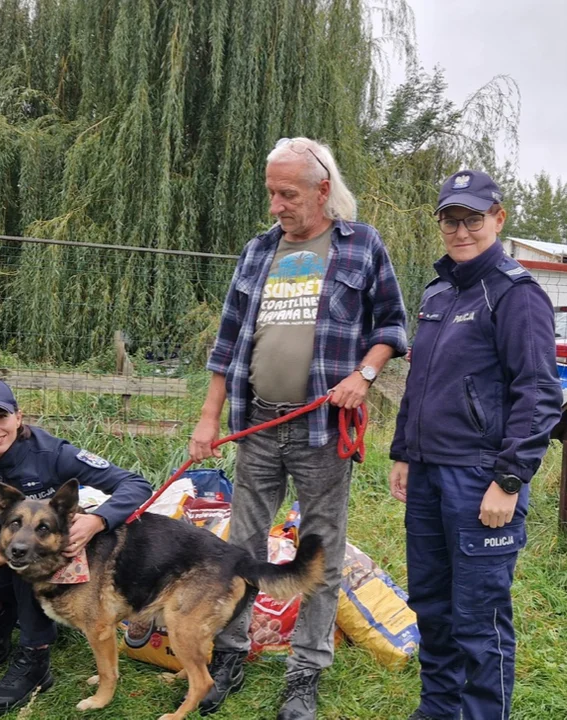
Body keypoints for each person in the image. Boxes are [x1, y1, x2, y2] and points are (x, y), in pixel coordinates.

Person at [188, 136, 408, 720]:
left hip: (322, 428)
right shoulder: (258, 251)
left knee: (320, 549)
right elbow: (228, 341)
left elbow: (392, 324)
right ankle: (230, 652)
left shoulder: (361, 247)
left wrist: (365, 373)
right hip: (257, 422)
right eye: (271, 192)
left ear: (323, 190)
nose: (276, 205)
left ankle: (306, 670)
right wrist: (208, 419)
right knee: (240, 546)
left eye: (287, 193)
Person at [389, 169, 562, 720]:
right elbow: (421, 382)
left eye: (473, 219)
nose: (461, 231)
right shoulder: (439, 292)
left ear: (498, 218)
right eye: (450, 220)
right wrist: (403, 451)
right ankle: (438, 709)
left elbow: (537, 394)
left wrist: (509, 479)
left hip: (481, 480)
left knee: (478, 616)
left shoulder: (516, 294)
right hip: (429, 475)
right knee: (433, 607)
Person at [0, 379, 153, 715]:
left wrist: (99, 520)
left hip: (51, 558)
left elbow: (136, 484)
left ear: (18, 417)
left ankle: (34, 658)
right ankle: (1, 623)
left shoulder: (52, 454)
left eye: (0, 416)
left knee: (32, 560)